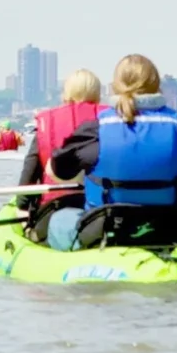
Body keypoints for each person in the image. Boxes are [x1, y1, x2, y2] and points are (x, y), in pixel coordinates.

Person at [45, 54, 177, 251]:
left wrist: (87, 174)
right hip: (176, 231)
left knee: (59, 219)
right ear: (157, 86)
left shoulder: (93, 131)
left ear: (114, 88)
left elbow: (56, 172)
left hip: (107, 232)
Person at [16, 70, 103, 234]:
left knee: (23, 215)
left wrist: (22, 207)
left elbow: (29, 173)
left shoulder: (47, 125)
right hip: (103, 212)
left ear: (66, 94)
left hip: (55, 209)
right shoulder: (113, 122)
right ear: (97, 94)